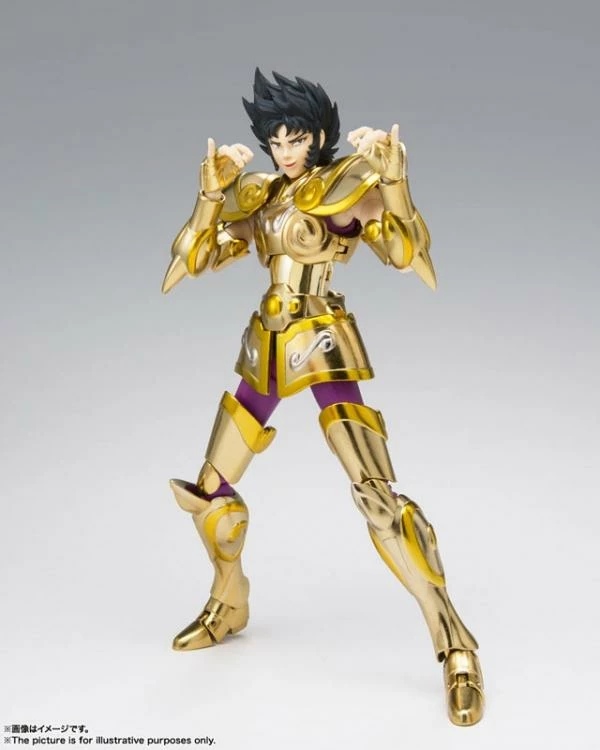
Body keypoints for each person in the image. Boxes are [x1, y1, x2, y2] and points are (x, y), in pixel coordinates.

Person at [162, 69, 485, 726]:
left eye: (296, 138)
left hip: (323, 340)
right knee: (209, 493)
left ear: (318, 137)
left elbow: (406, 251)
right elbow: (194, 259)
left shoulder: (340, 187)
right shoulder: (260, 194)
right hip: (266, 345)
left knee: (378, 497)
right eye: (276, 140)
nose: (285, 150)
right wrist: (209, 195)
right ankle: (230, 601)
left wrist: (394, 182)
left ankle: (455, 643)